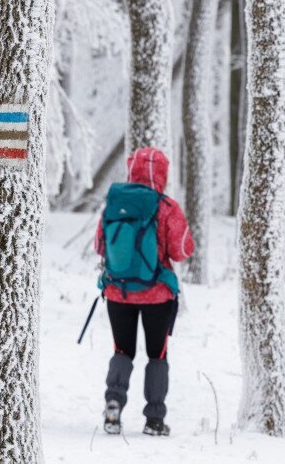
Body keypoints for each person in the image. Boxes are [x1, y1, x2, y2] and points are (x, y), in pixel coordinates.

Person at [93, 147, 194, 437]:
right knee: (156, 355)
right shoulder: (166, 207)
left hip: (118, 292)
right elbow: (183, 249)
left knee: (122, 350)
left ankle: (113, 405)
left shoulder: (114, 203)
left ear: (132, 168)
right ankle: (154, 420)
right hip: (157, 295)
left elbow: (100, 245)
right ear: (162, 173)